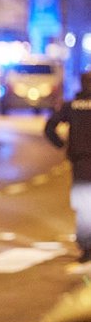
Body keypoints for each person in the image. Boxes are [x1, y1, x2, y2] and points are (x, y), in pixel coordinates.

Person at [44, 71, 91, 263]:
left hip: (80, 163)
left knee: (85, 205)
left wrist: (61, 144)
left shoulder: (71, 106)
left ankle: (86, 247)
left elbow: (49, 127)